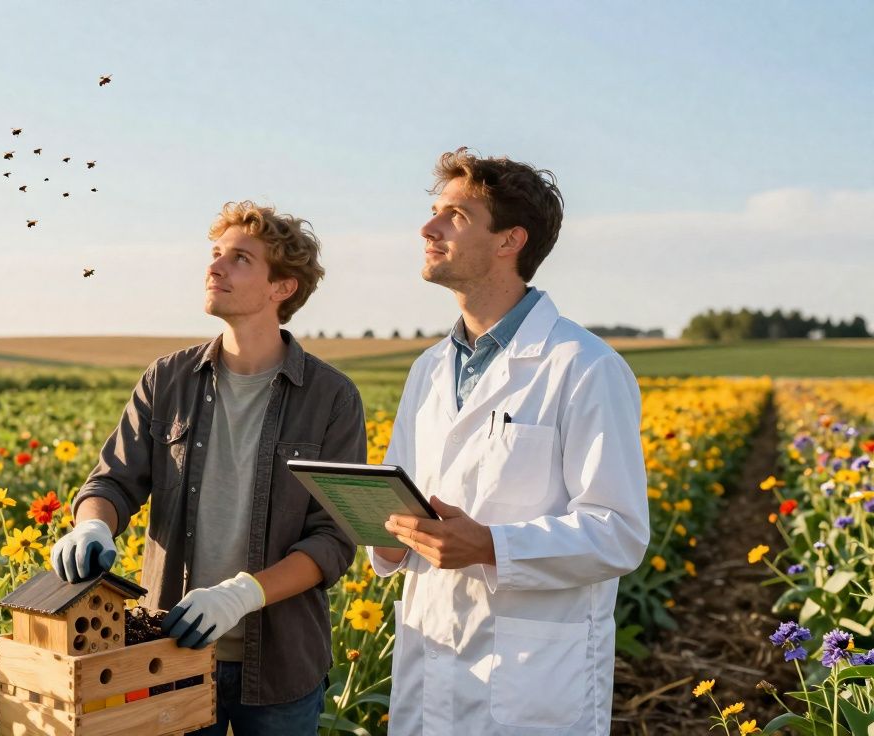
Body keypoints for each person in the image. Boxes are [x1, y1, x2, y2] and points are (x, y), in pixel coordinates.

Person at [54, 201, 365, 734]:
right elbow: (112, 480)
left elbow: (333, 540)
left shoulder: (331, 397)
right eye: (216, 254)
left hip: (281, 668)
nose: (215, 267)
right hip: (168, 654)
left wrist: (241, 594)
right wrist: (92, 523)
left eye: (240, 258)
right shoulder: (168, 379)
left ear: (281, 288)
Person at [371, 148, 650, 734]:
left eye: (456, 216)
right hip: (430, 668)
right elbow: (407, 498)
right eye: (433, 212)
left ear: (509, 241)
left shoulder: (585, 367)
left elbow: (619, 533)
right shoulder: (428, 369)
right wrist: (388, 536)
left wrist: (491, 545)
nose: (429, 227)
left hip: (532, 684)